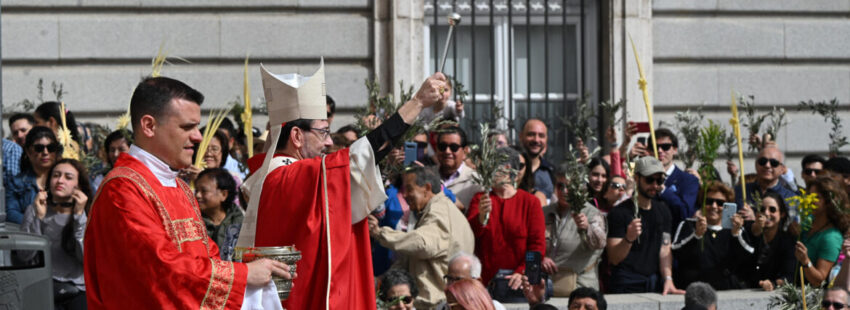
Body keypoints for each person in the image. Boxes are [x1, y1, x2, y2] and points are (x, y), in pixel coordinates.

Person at [244, 64, 450, 309]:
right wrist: (417, 103)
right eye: (323, 132)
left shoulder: (272, 174)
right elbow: (360, 156)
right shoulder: (288, 177)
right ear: (297, 136)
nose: (329, 142)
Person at [84, 76, 290, 308]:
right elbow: (160, 266)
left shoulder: (180, 186)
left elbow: (207, 254)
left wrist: (243, 271)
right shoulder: (122, 189)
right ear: (149, 126)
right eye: (186, 127)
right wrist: (242, 275)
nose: (198, 136)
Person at [368, 166, 475, 309]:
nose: (404, 195)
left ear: (427, 188)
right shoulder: (438, 211)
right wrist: (382, 280)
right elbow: (413, 257)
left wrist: (379, 233)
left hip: (436, 304)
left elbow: (422, 244)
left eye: (409, 189)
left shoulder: (439, 211)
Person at [466, 147, 545, 286]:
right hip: (484, 283)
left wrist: (522, 272)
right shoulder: (480, 199)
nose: (487, 172)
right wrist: (481, 218)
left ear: (507, 169)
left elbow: (537, 246)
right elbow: (469, 237)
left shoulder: (530, 202)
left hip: (519, 284)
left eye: (491, 167)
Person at [606, 156, 684, 294]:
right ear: (636, 178)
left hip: (654, 284)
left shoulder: (663, 210)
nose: (655, 185)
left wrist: (668, 278)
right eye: (649, 180)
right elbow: (614, 258)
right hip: (626, 284)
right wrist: (629, 238)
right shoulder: (619, 212)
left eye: (659, 181)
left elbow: (665, 249)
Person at [19, 159, 90, 309]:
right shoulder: (35, 209)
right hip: (42, 285)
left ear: (78, 186)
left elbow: (87, 259)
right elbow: (25, 255)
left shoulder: (87, 215)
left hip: (77, 288)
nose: (60, 181)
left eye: (68, 177)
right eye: (56, 175)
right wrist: (38, 218)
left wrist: (79, 217)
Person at [542, 163, 606, 296]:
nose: (564, 191)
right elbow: (529, 244)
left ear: (581, 188)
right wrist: (541, 257)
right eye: (560, 186)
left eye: (570, 186)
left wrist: (587, 228)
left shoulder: (592, 213)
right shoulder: (544, 212)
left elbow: (600, 243)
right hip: (547, 286)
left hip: (580, 289)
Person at [671, 181, 749, 290]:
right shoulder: (688, 224)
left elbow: (747, 258)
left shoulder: (735, 229)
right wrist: (696, 235)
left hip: (727, 290)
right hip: (694, 289)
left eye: (720, 203)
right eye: (709, 201)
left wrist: (736, 234)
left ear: (727, 206)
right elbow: (676, 252)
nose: (714, 206)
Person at [632, 128, 699, 227]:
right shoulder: (643, 178)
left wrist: (663, 190)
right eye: (655, 147)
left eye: (665, 147)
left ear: (675, 150)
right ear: (649, 151)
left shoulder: (689, 180)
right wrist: (630, 159)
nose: (660, 151)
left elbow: (685, 213)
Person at [737, 191, 797, 291]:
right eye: (762, 209)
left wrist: (773, 284)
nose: (766, 213)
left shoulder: (787, 242)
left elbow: (789, 276)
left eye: (772, 209)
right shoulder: (749, 233)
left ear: (782, 214)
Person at [796, 177, 849, 286]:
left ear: (828, 202)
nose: (810, 200)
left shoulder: (831, 237)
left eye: (816, 197)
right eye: (809, 195)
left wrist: (806, 261)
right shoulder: (807, 223)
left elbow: (819, 280)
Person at [6, 127, 61, 224]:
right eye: (39, 148)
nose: (45, 152)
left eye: (51, 148)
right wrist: (38, 223)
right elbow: (11, 213)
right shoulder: (16, 183)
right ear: (28, 152)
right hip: (29, 232)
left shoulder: (67, 179)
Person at [735, 146, 798, 218]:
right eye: (763, 161)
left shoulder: (790, 198)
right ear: (756, 165)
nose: (767, 165)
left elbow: (792, 224)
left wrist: (754, 220)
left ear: (782, 169)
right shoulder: (739, 191)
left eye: (774, 163)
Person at [196, 168, 244, 261]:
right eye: (197, 190)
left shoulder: (241, 224)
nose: (198, 195)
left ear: (223, 194)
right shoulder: (194, 223)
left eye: (204, 191)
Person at [436, 126, 484, 211]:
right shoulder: (428, 177)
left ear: (465, 152)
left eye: (453, 147)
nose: (447, 151)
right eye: (442, 146)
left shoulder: (476, 181)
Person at [520, 118, 556, 201]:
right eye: (531, 134)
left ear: (546, 139)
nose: (536, 140)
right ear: (521, 136)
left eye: (541, 136)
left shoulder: (551, 171)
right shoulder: (511, 168)